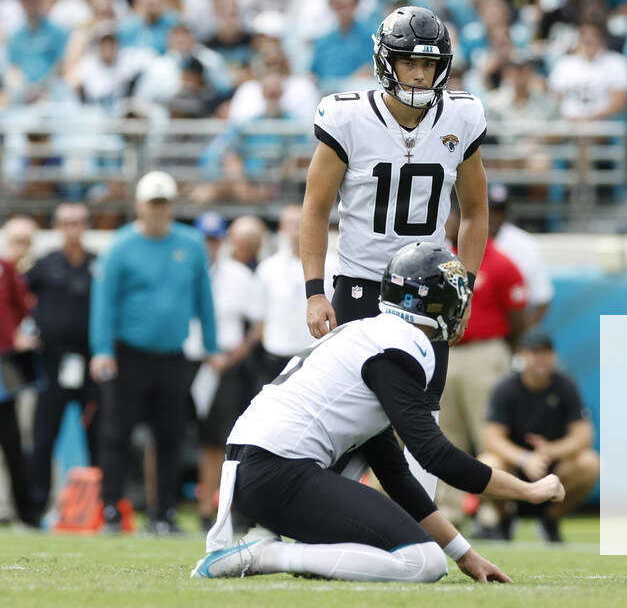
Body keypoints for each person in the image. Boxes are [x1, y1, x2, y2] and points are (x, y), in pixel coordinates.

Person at [192, 242, 564, 582]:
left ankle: (272, 549)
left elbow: (395, 473)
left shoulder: (370, 336)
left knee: (419, 553)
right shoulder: (398, 347)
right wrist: (527, 490)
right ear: (435, 304)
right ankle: (267, 555)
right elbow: (434, 454)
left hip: (259, 468)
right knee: (422, 563)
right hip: (277, 469)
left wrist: (465, 555)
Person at [301, 5, 489, 401]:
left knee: (423, 416)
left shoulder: (462, 116)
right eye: (408, 62)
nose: (419, 74)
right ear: (387, 61)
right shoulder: (346, 116)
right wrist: (315, 291)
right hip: (361, 283)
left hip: (429, 286)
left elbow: (474, 210)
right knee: (350, 418)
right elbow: (316, 209)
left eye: (428, 63)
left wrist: (465, 289)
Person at [89, 171, 223, 535]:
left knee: (171, 436)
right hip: (128, 353)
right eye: (153, 203)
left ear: (171, 206)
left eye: (164, 203)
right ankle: (112, 509)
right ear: (139, 205)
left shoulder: (191, 244)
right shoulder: (119, 247)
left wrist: (212, 345)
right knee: (117, 434)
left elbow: (203, 299)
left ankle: (163, 513)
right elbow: (104, 304)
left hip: (172, 355)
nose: (159, 210)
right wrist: (101, 350)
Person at [435, 205, 527, 524]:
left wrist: (500, 349)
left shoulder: (499, 262)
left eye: (452, 217)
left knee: (488, 433)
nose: (447, 223)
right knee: (446, 433)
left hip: (485, 351)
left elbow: (518, 317)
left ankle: (495, 508)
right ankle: (450, 509)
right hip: (448, 350)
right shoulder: (440, 259)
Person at [477, 331, 598, 543]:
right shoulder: (506, 388)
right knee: (486, 463)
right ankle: (505, 517)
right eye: (535, 352)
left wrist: (550, 451)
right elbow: (492, 438)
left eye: (547, 353)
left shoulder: (565, 386)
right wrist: (525, 458)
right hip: (515, 468)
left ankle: (549, 520)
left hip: (554, 468)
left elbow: (584, 435)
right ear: (521, 355)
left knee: (590, 464)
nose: (541, 358)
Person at [184, 212, 264, 532]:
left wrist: (234, 356)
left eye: (214, 239)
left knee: (217, 441)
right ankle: (160, 506)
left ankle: (211, 507)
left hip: (224, 364)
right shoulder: (183, 270)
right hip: (186, 360)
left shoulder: (238, 276)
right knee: (170, 435)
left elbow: (258, 323)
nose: (209, 246)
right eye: (205, 239)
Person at [24, 203, 99, 526]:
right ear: (57, 227)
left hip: (89, 362)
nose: (73, 229)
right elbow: (17, 295)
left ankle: (102, 505)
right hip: (52, 362)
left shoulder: (98, 264)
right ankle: (35, 505)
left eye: (79, 222)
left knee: (98, 433)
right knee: (44, 436)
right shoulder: (44, 265)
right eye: (67, 223)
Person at [255, 205, 330, 390]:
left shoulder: (333, 265)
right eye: (290, 223)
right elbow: (259, 315)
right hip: (276, 352)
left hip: (315, 354)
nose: (296, 229)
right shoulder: (267, 268)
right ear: (281, 228)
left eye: (300, 223)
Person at [488, 185, 554, 328]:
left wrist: (523, 336)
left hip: (515, 322)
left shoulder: (525, 245)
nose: (494, 217)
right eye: (490, 211)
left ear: (506, 214)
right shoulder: (464, 239)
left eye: (499, 212)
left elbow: (543, 299)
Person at [0, 235, 32, 525]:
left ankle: (25, 512)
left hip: (4, 362)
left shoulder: (5, 268)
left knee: (12, 439)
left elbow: (21, 308)